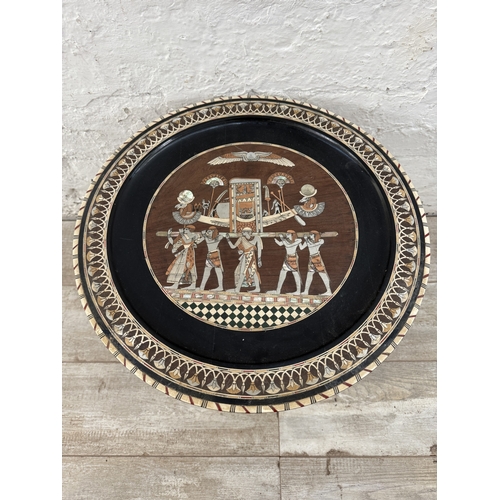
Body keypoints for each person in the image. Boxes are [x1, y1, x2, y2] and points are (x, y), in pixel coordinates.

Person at [226, 227, 263, 293]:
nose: (242, 232)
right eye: (242, 231)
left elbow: (259, 249)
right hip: (245, 256)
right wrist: (228, 239)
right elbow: (233, 247)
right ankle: (238, 289)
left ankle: (256, 288)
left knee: (253, 271)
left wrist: (259, 259)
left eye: (244, 231)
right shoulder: (241, 238)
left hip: (251, 256)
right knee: (243, 272)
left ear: (249, 232)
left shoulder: (256, 238)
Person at [268, 230, 302, 295]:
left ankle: (298, 291)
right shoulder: (286, 241)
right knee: (282, 273)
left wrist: (282, 238)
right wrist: (275, 239)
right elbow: (280, 244)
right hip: (287, 258)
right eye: (287, 233)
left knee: (295, 274)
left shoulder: (297, 240)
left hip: (293, 259)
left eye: (288, 234)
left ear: (292, 235)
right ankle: (278, 290)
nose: (286, 234)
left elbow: (289, 245)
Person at [300, 230, 332, 296]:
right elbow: (301, 248)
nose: (310, 236)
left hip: (317, 259)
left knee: (322, 274)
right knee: (309, 275)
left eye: (311, 234)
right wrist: (299, 241)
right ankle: (306, 291)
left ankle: (329, 290)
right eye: (310, 234)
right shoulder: (308, 241)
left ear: (315, 235)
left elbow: (313, 245)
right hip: (311, 259)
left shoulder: (320, 241)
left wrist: (306, 240)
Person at [198, 226, 225, 291]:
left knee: (218, 271)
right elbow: (197, 242)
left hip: (215, 255)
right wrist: (202, 236)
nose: (208, 232)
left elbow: (210, 242)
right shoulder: (207, 237)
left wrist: (205, 236)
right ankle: (202, 287)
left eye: (209, 231)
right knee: (206, 271)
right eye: (207, 231)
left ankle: (220, 286)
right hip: (209, 255)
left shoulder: (218, 237)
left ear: (213, 231)